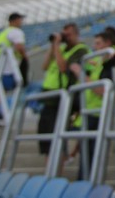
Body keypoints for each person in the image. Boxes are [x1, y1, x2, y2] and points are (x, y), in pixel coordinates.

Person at [68, 27, 115, 179]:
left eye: (98, 44)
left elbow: (102, 90)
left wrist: (80, 73)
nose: (94, 47)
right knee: (86, 157)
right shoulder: (100, 62)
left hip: (99, 115)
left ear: (108, 44)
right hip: (92, 113)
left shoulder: (112, 63)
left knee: (92, 158)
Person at [39, 23, 88, 160]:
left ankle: (57, 173)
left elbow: (63, 68)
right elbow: (44, 66)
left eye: (68, 34)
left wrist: (57, 47)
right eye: (63, 34)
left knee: (56, 142)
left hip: (62, 98)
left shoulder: (80, 49)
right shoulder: (60, 49)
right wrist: (53, 46)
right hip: (49, 97)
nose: (65, 37)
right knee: (46, 142)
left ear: (76, 34)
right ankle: (49, 175)